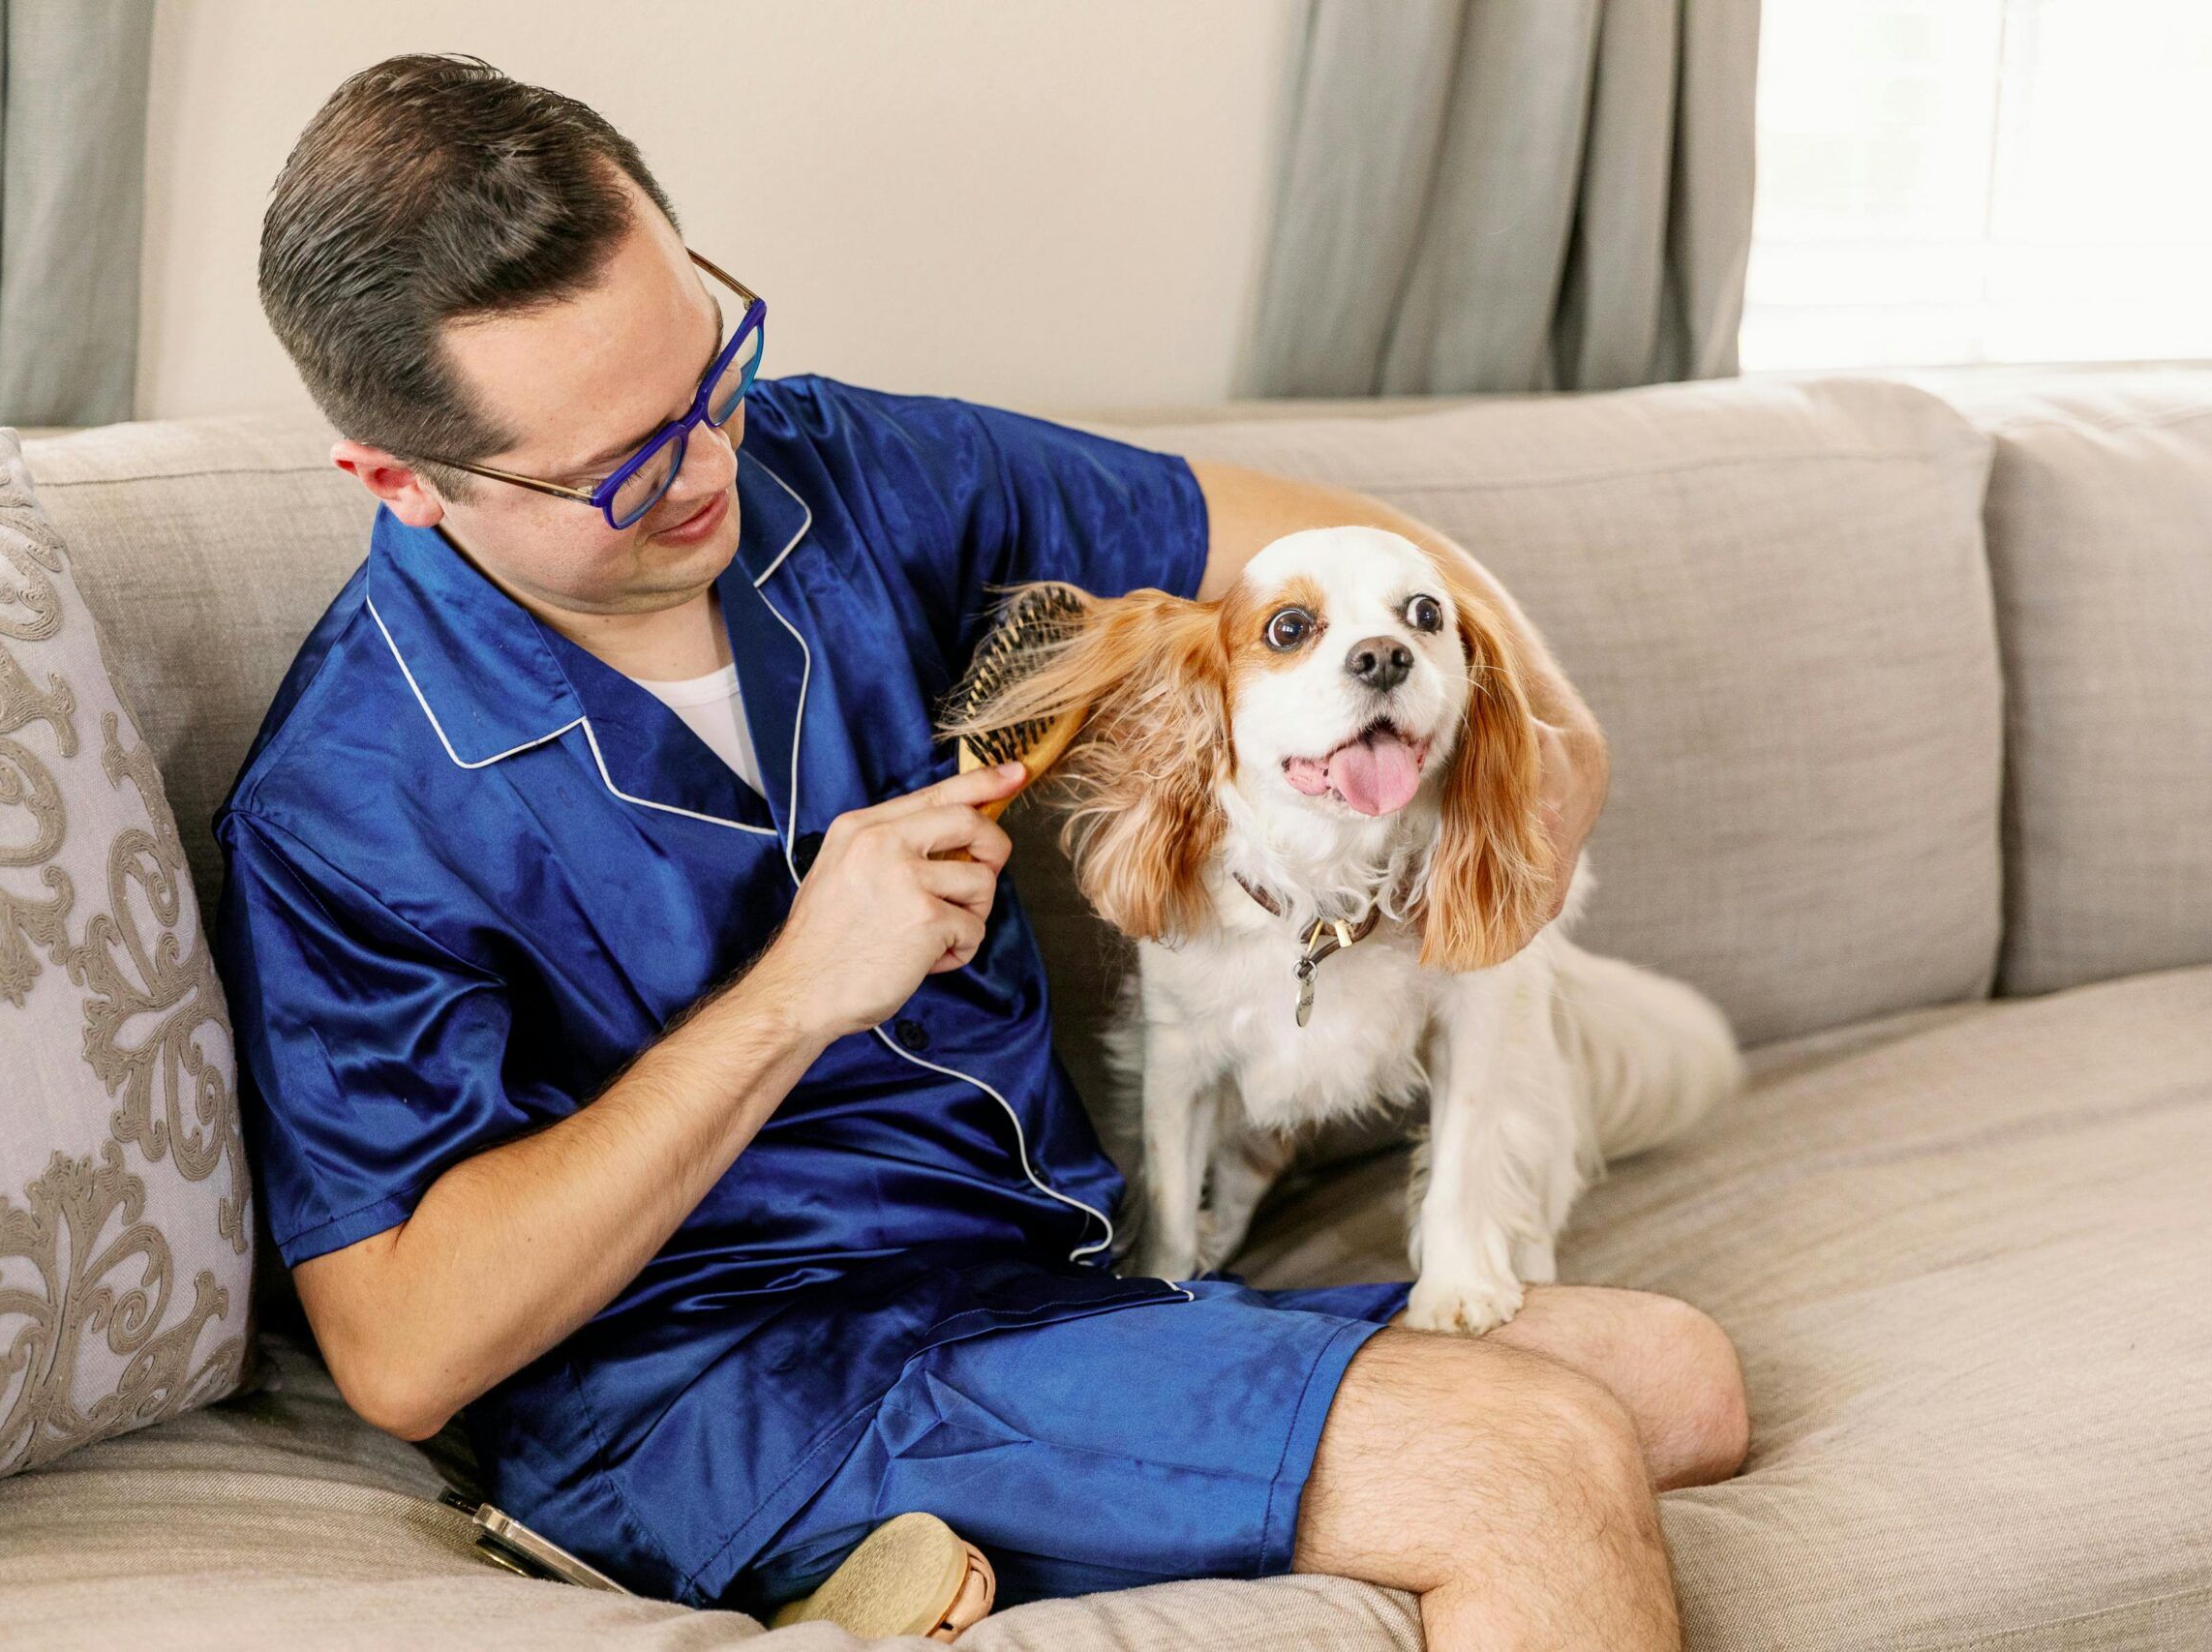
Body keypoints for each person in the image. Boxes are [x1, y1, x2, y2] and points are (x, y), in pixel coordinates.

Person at [217, 52, 1749, 1652]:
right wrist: (793, 995)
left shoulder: (851, 474)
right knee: (1531, 1458)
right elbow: (398, 1347)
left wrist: (1557, 753)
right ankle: (800, 1542)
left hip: (1030, 1295)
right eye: (623, 464)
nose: (713, 465)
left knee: (1678, 1384)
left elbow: (1323, 541)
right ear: (398, 483)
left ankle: (940, 1559)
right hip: (719, 1394)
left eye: (712, 367)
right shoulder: (346, 802)